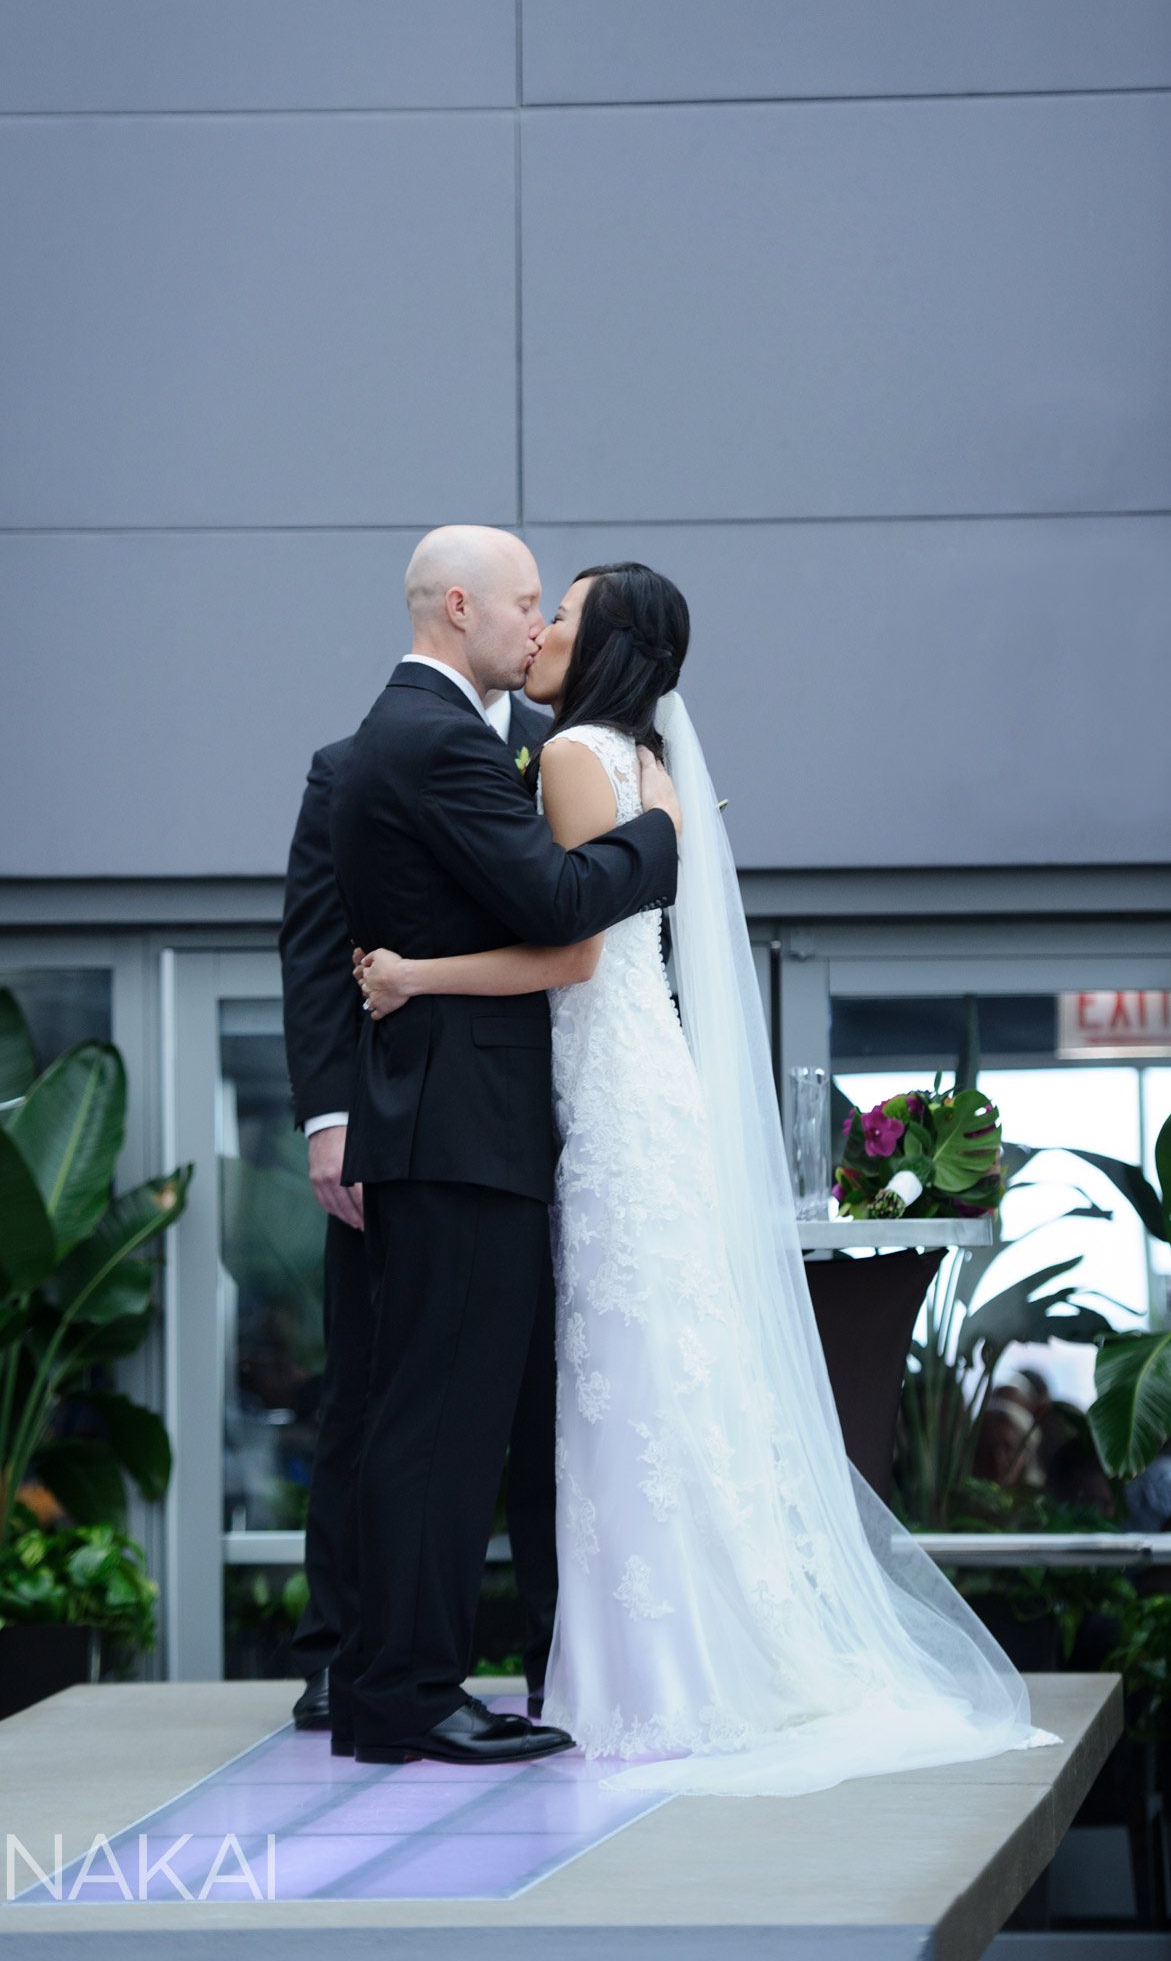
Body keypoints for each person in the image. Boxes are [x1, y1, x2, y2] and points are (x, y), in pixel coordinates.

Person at [354, 560, 1060, 1797]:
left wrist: (417, 973)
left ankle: (647, 1672)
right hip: (642, 1086)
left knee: (621, 1379)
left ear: (606, 641)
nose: (543, 629)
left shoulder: (574, 756)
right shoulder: (654, 771)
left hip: (602, 1091)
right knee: (661, 1379)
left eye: (561, 612)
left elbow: (568, 950)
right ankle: (682, 1653)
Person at [326, 525, 680, 1767]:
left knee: (445, 1416)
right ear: (459, 605)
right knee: (439, 1422)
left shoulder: (431, 732)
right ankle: (405, 1691)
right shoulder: (430, 737)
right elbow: (562, 904)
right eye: (525, 603)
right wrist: (662, 835)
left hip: (463, 1123)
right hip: (459, 1128)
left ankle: (396, 1683)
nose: (536, 627)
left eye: (554, 610)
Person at [277, 661, 553, 1730]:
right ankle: (345, 1655)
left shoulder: (566, 752)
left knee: (550, 1406)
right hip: (408, 1124)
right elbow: (313, 949)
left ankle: (558, 1659)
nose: (534, 627)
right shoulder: (350, 764)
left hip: (554, 1117)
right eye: (520, 601)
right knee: (374, 1387)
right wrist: (330, 1117)